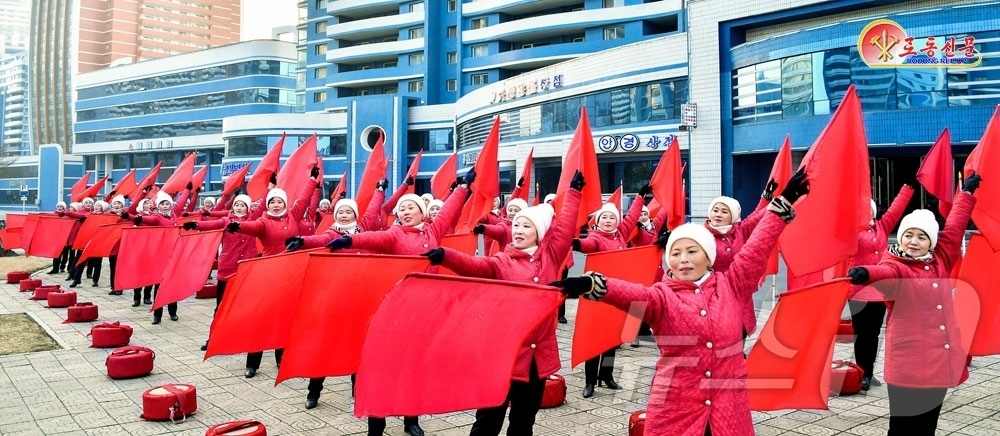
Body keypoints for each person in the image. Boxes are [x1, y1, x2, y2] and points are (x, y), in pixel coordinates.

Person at [550, 169, 809, 436]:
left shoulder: (732, 284)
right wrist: (591, 284)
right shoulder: (662, 295)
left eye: (692, 251)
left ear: (708, 257)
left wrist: (783, 204)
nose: (683, 258)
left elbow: (757, 247)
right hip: (676, 404)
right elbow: (632, 293)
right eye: (676, 253)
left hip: (729, 404)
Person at [423, 171, 583, 436]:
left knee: (523, 422)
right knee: (488, 421)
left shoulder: (551, 257)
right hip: (502, 355)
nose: (518, 231)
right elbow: (475, 265)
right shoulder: (501, 262)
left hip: (537, 359)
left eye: (526, 226)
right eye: (516, 226)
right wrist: (446, 256)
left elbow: (565, 227)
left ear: (539, 233)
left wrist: (574, 192)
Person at [323, 170, 474, 436]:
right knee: (381, 368)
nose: (405, 211)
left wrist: (462, 187)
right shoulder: (394, 234)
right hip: (394, 312)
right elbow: (374, 238)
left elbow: (449, 211)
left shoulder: (433, 231)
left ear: (421, 212)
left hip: (424, 312)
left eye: (410, 208)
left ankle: (411, 419)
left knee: (413, 367)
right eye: (401, 208)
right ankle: (376, 424)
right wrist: (349, 239)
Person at [846, 174, 980, 436]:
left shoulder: (941, 258)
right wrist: (866, 273)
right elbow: (885, 272)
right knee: (902, 426)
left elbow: (954, 227)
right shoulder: (897, 265)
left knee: (928, 425)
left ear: (931, 241)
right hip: (908, 363)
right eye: (908, 235)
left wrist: (966, 194)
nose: (913, 241)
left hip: (939, 360)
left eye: (921, 236)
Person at [285, 193, 381, 410]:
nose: (345, 216)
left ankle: (359, 393)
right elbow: (319, 240)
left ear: (355, 215)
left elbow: (374, 209)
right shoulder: (331, 234)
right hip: (335, 301)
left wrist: (378, 190)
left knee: (360, 348)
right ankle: (313, 392)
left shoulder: (364, 232)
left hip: (361, 301)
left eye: (349, 212)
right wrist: (303, 241)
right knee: (325, 346)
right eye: (340, 212)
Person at [226, 167, 319, 378]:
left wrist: (312, 179)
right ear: (268, 205)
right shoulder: (263, 222)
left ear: (285, 203)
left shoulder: (294, 215)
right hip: (268, 276)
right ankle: (253, 363)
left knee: (286, 318)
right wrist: (235, 226)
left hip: (291, 275)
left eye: (279, 202)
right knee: (262, 318)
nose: (276, 205)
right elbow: (248, 226)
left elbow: (304, 198)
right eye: (272, 202)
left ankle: (282, 360)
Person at [570, 185, 649, 398]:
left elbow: (632, 218)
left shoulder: (621, 234)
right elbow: (586, 244)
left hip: (617, 295)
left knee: (612, 337)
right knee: (594, 337)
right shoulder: (596, 238)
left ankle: (606, 375)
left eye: (612, 218)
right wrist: (575, 243)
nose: (608, 221)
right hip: (596, 297)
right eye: (604, 217)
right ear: (597, 221)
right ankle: (589, 382)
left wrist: (640, 198)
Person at [848, 183, 914, 390]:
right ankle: (861, 373)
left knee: (874, 333)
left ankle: (869, 371)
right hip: (858, 289)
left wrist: (907, 189)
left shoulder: (882, 226)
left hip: (880, 290)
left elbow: (896, 209)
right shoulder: (850, 230)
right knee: (862, 333)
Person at [185, 194, 259, 352]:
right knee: (220, 306)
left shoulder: (254, 221)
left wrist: (270, 188)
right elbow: (213, 224)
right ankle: (213, 338)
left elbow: (263, 207)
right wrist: (196, 224)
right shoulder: (227, 220)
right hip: (227, 269)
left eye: (242, 205)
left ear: (248, 207)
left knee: (246, 307)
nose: (239, 207)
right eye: (237, 205)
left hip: (246, 269)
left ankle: (241, 338)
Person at [703, 184, 772, 350]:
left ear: (733, 216)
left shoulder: (740, 230)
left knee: (738, 336)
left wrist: (769, 199)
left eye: (724, 211)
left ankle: (736, 365)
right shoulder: (700, 235)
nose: (718, 214)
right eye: (716, 210)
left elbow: (758, 218)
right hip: (713, 295)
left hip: (739, 295)